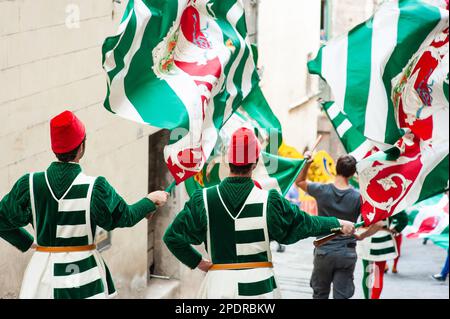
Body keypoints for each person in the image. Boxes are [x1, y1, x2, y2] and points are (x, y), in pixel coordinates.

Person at [163, 128, 355, 299]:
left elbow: (172, 237)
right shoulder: (269, 201)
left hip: (218, 285)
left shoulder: (202, 199)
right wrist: (337, 223)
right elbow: (304, 223)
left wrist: (198, 262)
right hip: (261, 287)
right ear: (255, 163)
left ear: (228, 160)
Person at [0, 110, 169, 299]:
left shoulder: (29, 184)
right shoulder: (95, 187)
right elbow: (125, 217)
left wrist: (27, 242)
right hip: (84, 273)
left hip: (42, 273)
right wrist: (150, 200)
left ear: (54, 148)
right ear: (81, 147)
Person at [296, 154, 361, 299]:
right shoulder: (358, 197)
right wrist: (362, 234)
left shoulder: (322, 190)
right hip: (347, 253)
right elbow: (374, 221)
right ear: (352, 173)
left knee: (320, 295)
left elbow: (299, 181)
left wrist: (307, 163)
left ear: (336, 168)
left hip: (323, 251)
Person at [355, 212, 408, 299]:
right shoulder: (389, 200)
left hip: (366, 238)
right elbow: (403, 218)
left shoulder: (364, 200)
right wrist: (396, 229)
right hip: (382, 240)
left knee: (367, 273)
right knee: (378, 274)